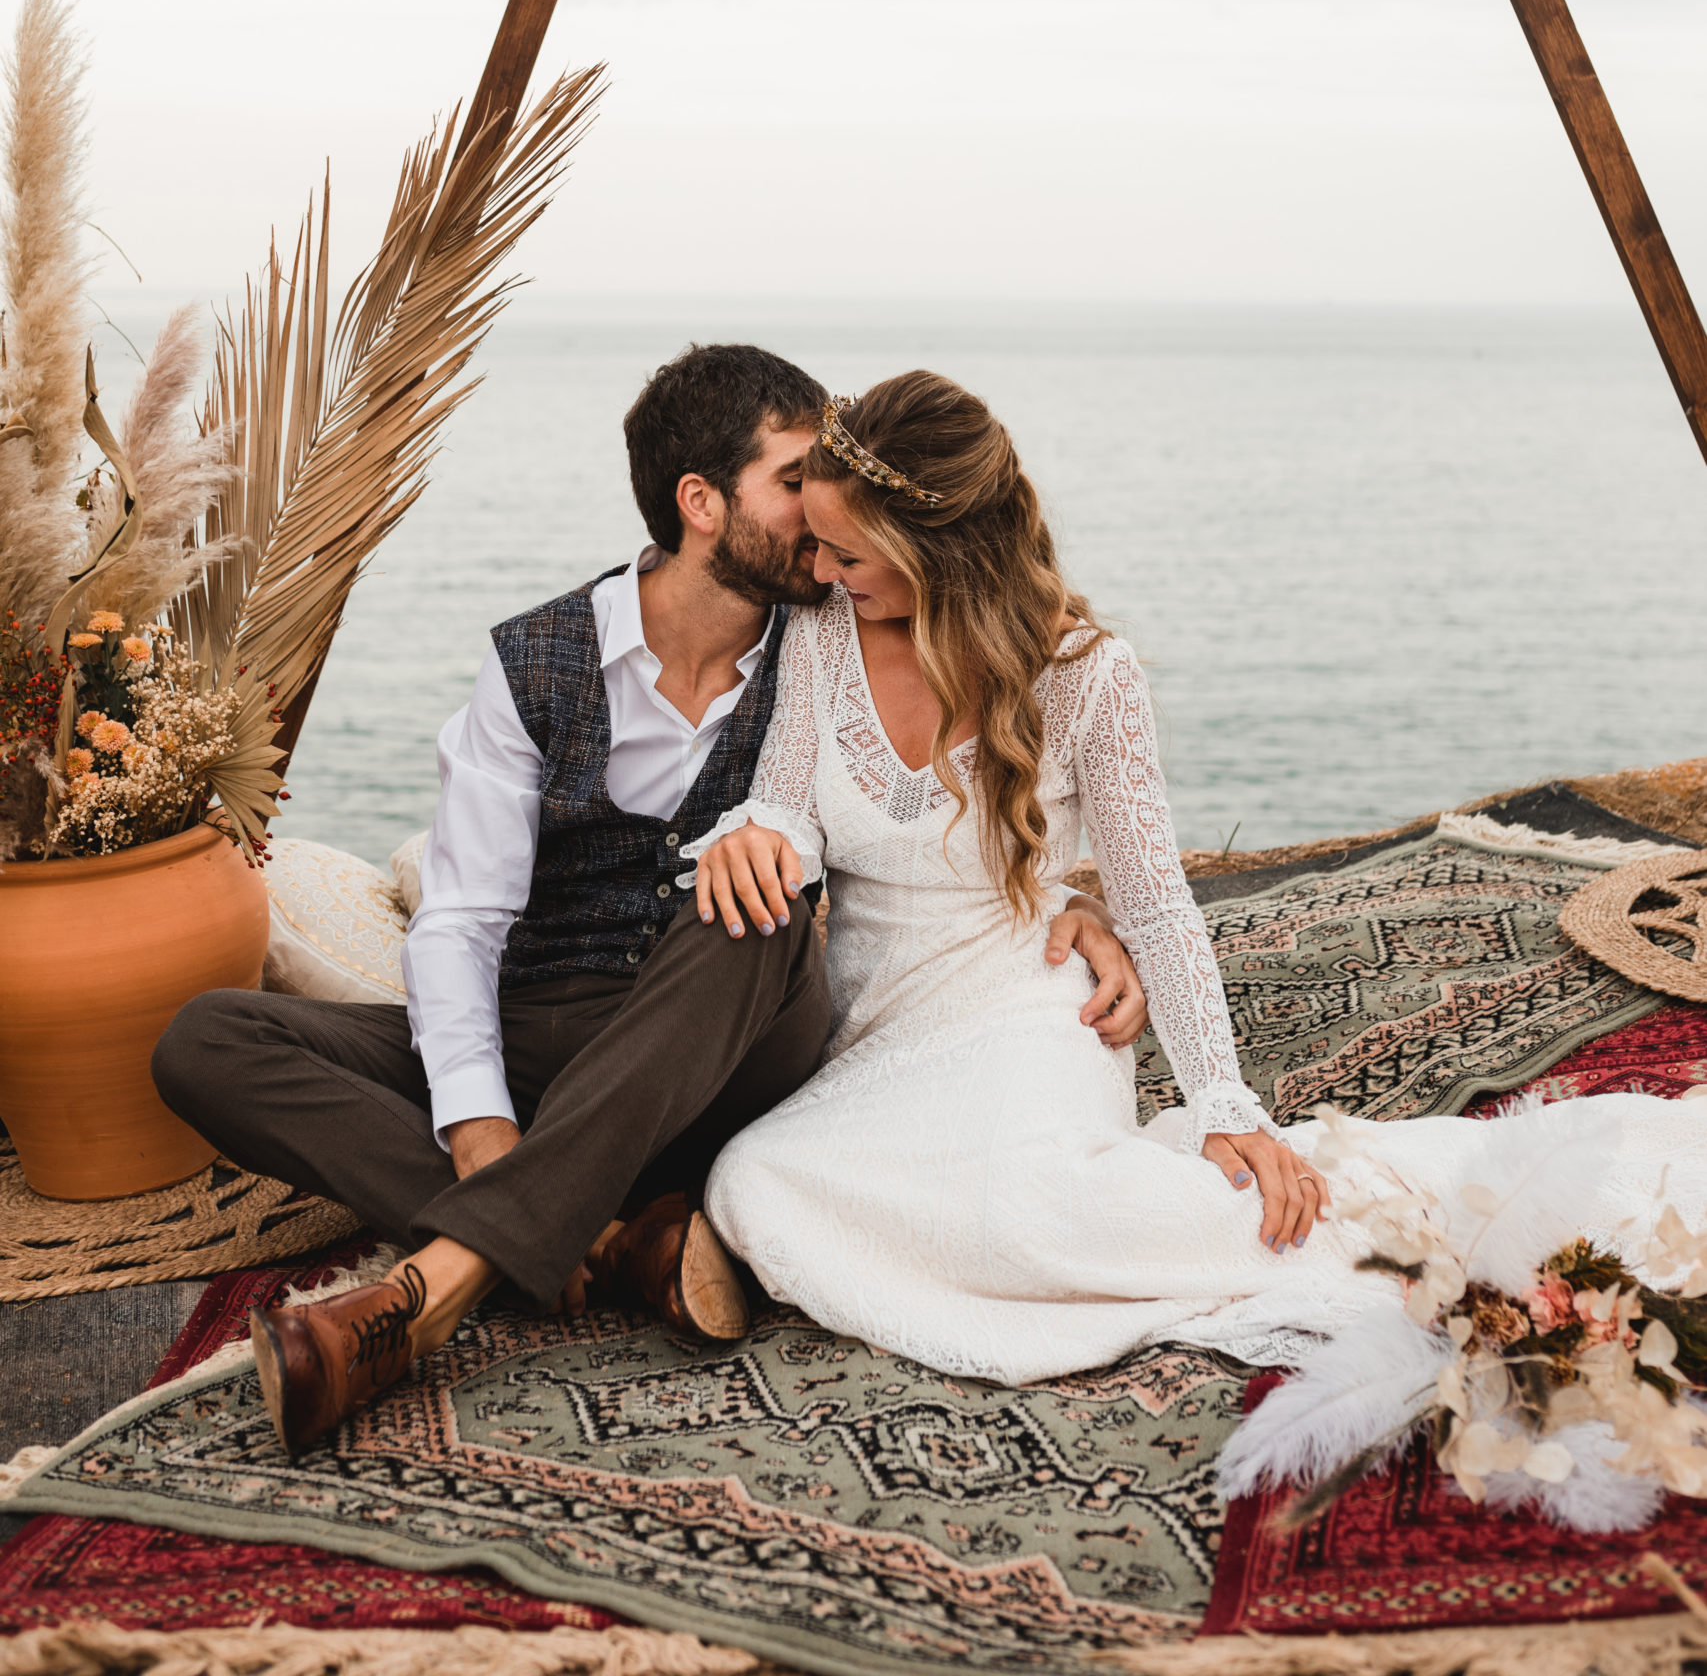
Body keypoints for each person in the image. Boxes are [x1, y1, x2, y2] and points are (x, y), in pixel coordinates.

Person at [153, 343, 1147, 1457]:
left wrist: (1081, 899)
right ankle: (618, 1236)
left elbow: (973, 780)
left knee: (757, 897)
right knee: (205, 1039)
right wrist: (480, 1124)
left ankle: (433, 1285)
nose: (830, 511)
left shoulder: (837, 634)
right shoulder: (538, 663)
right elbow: (463, 921)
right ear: (702, 503)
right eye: (798, 479)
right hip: (551, 1036)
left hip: (730, 1040)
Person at [687, 372, 1707, 1387]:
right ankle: (1115, 1217)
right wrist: (754, 832)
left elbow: (1157, 903)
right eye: (816, 541)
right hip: (878, 1022)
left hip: (1025, 997)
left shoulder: (1088, 670)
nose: (816, 566)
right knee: (753, 1186)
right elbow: (784, 806)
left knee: (1033, 1207)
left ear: (935, 549)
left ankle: (1421, 1223)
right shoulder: (819, 632)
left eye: (845, 549)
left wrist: (1224, 1100)